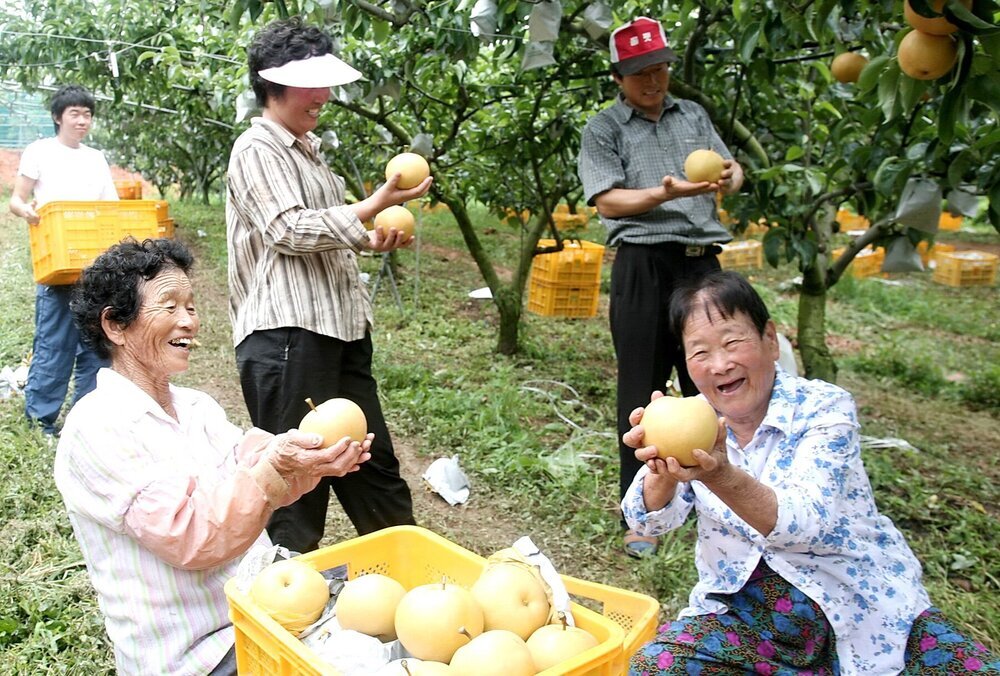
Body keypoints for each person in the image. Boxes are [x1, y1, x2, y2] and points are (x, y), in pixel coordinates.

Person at [622, 270, 998, 675]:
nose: (720, 365)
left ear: (769, 338)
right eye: (699, 353)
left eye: (733, 342)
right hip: (747, 616)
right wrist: (660, 464)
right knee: (658, 667)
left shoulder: (824, 409)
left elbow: (805, 523)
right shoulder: (696, 417)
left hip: (860, 606)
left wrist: (720, 475)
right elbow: (647, 520)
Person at [54, 238, 372, 675]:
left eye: (191, 306)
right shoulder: (97, 428)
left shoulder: (197, 407)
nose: (189, 321)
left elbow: (253, 468)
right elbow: (192, 537)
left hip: (259, 610)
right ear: (115, 325)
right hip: (197, 654)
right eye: (170, 307)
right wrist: (276, 467)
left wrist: (305, 460)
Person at [226, 17, 430, 554]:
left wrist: (370, 237)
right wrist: (371, 206)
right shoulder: (257, 150)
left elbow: (329, 227)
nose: (325, 96)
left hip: (338, 328)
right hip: (288, 334)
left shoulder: (311, 153)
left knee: (372, 464)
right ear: (273, 85)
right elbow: (286, 228)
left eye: (327, 82)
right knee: (297, 483)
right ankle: (287, 606)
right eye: (312, 83)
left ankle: (408, 572)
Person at [577, 16, 746, 558]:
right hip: (644, 264)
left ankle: (719, 503)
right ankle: (643, 516)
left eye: (659, 69)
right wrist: (663, 192)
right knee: (642, 389)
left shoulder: (693, 115)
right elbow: (607, 201)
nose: (652, 81)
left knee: (713, 385)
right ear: (618, 77)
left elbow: (729, 167)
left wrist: (730, 176)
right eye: (639, 74)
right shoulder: (604, 129)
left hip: (702, 266)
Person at [8, 84, 118, 437]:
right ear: (58, 117)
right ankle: (41, 419)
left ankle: (84, 420)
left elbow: (109, 208)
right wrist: (28, 212)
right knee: (54, 344)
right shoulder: (40, 152)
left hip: (92, 263)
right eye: (75, 113)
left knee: (95, 345)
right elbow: (17, 199)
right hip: (57, 261)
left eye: (87, 114)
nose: (82, 120)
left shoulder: (96, 158)